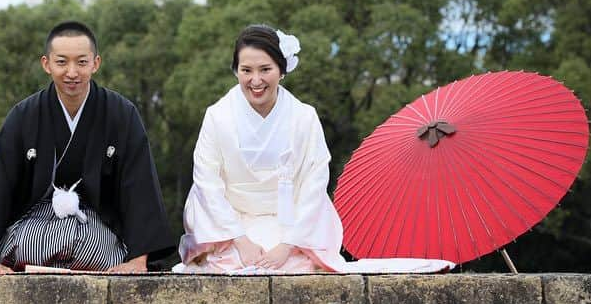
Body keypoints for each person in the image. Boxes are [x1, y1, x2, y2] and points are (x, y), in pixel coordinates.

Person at [176, 24, 453, 274]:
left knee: (296, 264)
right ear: (236, 70)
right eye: (246, 70)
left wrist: (288, 243)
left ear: (282, 71)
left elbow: (314, 181)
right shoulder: (217, 116)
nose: (255, 80)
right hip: (229, 224)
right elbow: (207, 181)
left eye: (265, 69)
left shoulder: (303, 117)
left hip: (287, 221)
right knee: (230, 262)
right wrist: (240, 238)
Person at [0, 21, 174, 273]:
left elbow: (139, 186)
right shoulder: (23, 116)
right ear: (46, 64)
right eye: (62, 62)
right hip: (36, 222)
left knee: (90, 246)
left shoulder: (121, 114)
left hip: (96, 224)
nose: (72, 72)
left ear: (96, 63)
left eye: (81, 62)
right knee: (30, 245)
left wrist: (139, 260)